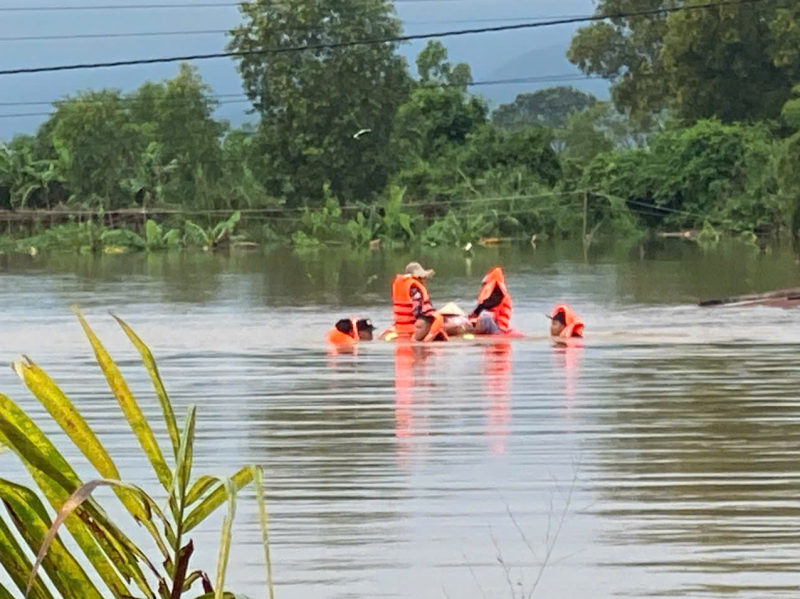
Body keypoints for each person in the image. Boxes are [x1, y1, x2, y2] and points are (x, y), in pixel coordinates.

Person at [388, 262, 436, 338]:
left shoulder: (400, 284)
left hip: (400, 326)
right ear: (419, 277)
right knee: (438, 319)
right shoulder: (414, 287)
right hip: (413, 327)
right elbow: (417, 308)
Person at [469, 267, 513, 335]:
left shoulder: (500, 295)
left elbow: (488, 305)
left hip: (498, 329)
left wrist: (476, 312)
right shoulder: (495, 295)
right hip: (494, 325)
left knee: (485, 317)